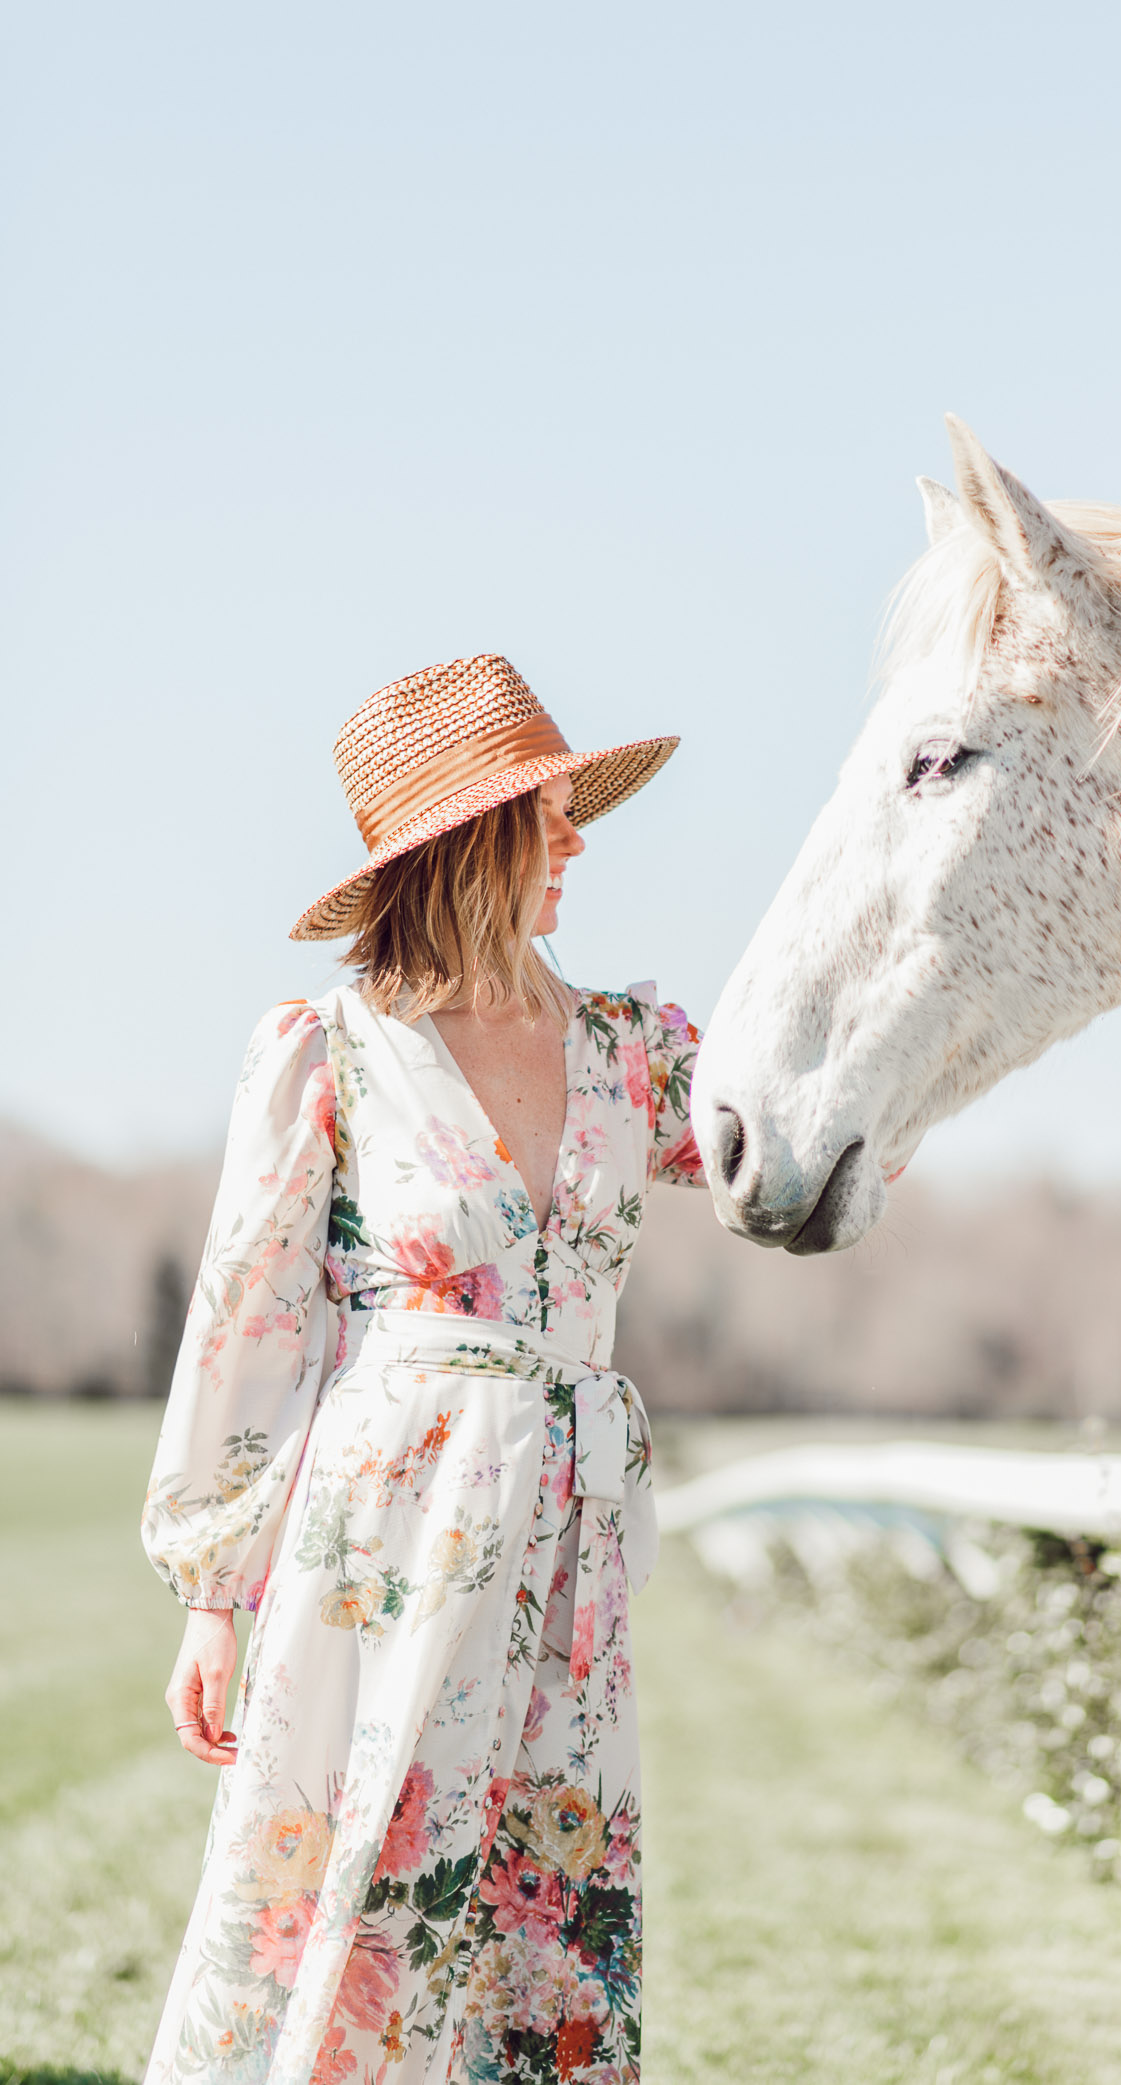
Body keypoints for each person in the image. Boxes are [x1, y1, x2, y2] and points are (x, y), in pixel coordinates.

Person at [141, 654, 705, 2085]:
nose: (577, 839)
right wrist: (213, 1594)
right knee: (353, 1885)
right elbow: (245, 1326)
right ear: (473, 837)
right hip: (384, 1538)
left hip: (565, 1538)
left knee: (536, 1906)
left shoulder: (631, 1051)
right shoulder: (331, 1052)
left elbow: (797, 1142)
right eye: (552, 811)